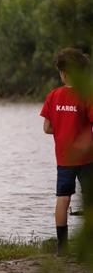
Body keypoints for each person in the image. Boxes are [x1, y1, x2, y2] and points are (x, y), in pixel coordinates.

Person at [40, 48, 93, 254]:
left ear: (63, 73)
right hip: (87, 157)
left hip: (64, 159)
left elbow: (46, 128)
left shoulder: (53, 96)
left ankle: (62, 247)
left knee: (63, 199)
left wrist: (62, 129)